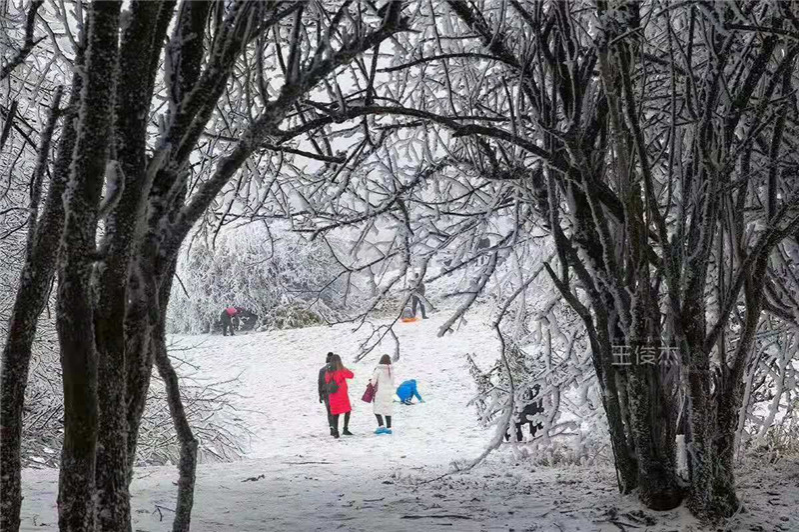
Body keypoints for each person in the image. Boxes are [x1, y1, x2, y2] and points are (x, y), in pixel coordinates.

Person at [325, 354, 354, 438]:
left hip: (333, 394)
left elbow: (327, 380)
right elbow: (351, 375)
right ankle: (345, 428)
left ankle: (336, 431)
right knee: (347, 411)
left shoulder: (329, 370)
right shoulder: (342, 370)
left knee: (335, 413)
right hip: (342, 394)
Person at [370, 354, 395, 434]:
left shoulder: (378, 369)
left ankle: (381, 426)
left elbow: (373, 382)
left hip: (380, 392)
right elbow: (392, 382)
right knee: (388, 410)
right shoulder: (391, 370)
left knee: (377, 409)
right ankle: (389, 427)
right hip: (389, 392)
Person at [318, 352, 335, 436]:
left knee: (329, 411)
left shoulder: (322, 370)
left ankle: (331, 427)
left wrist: (320, 395)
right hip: (334, 392)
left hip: (325, 393)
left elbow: (320, 383)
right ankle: (335, 427)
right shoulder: (336, 369)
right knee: (335, 411)